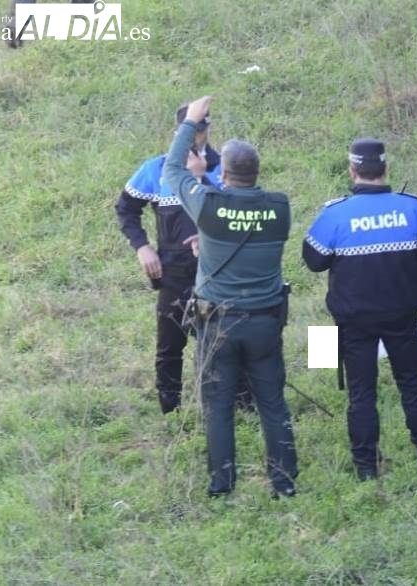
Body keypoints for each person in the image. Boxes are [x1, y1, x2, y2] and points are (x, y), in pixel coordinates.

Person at [163, 95, 297, 499]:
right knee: (273, 403)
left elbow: (172, 169)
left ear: (225, 175)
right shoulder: (279, 207)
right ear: (256, 172)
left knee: (218, 407)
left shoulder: (208, 206)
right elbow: (242, 221)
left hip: (218, 322)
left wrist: (190, 123)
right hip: (265, 321)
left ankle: (222, 485)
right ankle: (284, 483)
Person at [303, 137, 417, 481]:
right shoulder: (413, 209)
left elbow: (314, 261)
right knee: (413, 384)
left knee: (361, 393)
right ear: (386, 169)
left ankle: (366, 468)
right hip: (403, 315)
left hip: (354, 321)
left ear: (352, 170)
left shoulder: (334, 214)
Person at [115, 104, 222, 415]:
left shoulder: (224, 167)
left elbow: (234, 211)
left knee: (222, 340)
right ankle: (170, 410)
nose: (194, 137)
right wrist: (142, 247)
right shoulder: (156, 169)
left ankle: (235, 406)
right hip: (173, 269)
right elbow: (126, 209)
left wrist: (202, 180)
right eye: (186, 131)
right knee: (170, 343)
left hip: (216, 270)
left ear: (207, 131)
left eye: (199, 130)